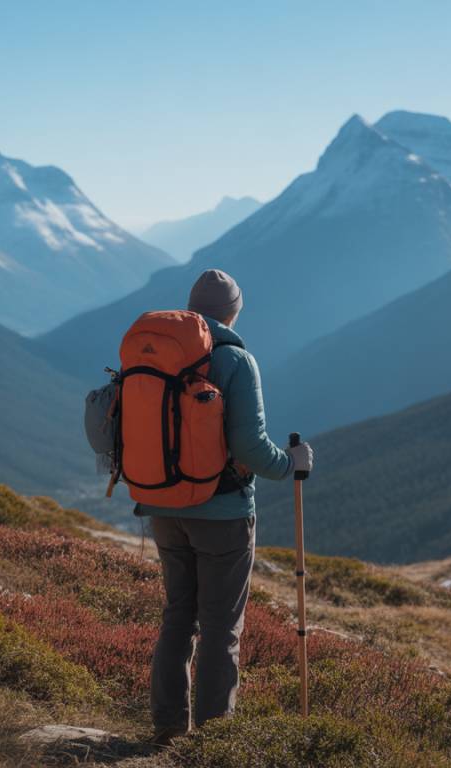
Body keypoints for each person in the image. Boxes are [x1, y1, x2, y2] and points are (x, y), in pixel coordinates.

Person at [137, 268, 314, 746]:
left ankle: (169, 729)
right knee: (220, 629)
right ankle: (214, 744)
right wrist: (290, 464)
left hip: (162, 504)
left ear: (193, 307)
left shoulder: (155, 349)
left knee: (179, 615)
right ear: (233, 312)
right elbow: (251, 445)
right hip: (222, 513)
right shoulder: (235, 359)